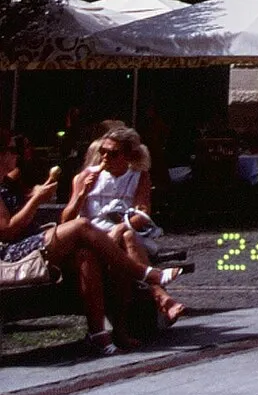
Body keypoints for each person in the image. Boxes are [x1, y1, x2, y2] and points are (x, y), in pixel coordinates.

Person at [7, 129, 186, 350]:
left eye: (113, 153)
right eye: (102, 152)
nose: (105, 158)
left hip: (120, 234)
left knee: (124, 238)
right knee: (88, 245)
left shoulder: (138, 175)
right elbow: (67, 219)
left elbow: (143, 214)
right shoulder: (84, 177)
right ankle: (154, 287)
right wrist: (82, 193)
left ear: (128, 155)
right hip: (85, 238)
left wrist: (121, 227)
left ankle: (109, 331)